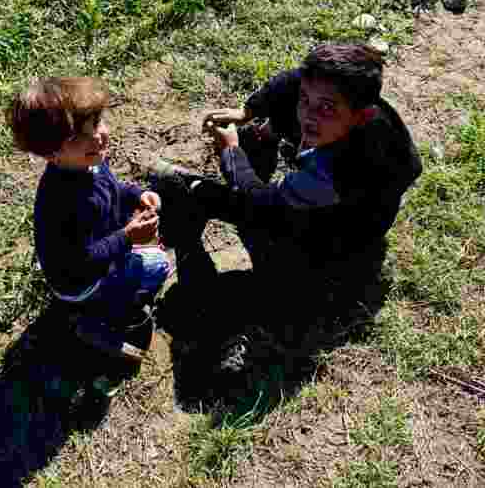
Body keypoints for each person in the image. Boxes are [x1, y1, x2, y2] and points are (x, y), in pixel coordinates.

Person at [150, 43, 422, 374]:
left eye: (326, 108)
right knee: (258, 135)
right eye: (306, 102)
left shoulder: (336, 172)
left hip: (337, 242)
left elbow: (263, 201)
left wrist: (231, 153)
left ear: (361, 114)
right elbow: (293, 81)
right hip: (356, 205)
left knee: (251, 211)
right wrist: (247, 112)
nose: (309, 114)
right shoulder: (364, 107)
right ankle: (196, 197)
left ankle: (251, 292)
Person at [6, 77, 171, 363]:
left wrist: (138, 195)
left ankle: (106, 305)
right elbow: (82, 259)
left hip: (99, 253)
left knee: (150, 260)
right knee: (158, 267)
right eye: (77, 136)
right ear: (51, 153)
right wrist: (127, 238)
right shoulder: (64, 201)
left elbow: (113, 187)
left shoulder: (90, 160)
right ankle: (96, 321)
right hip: (81, 282)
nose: (98, 136)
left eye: (96, 123)